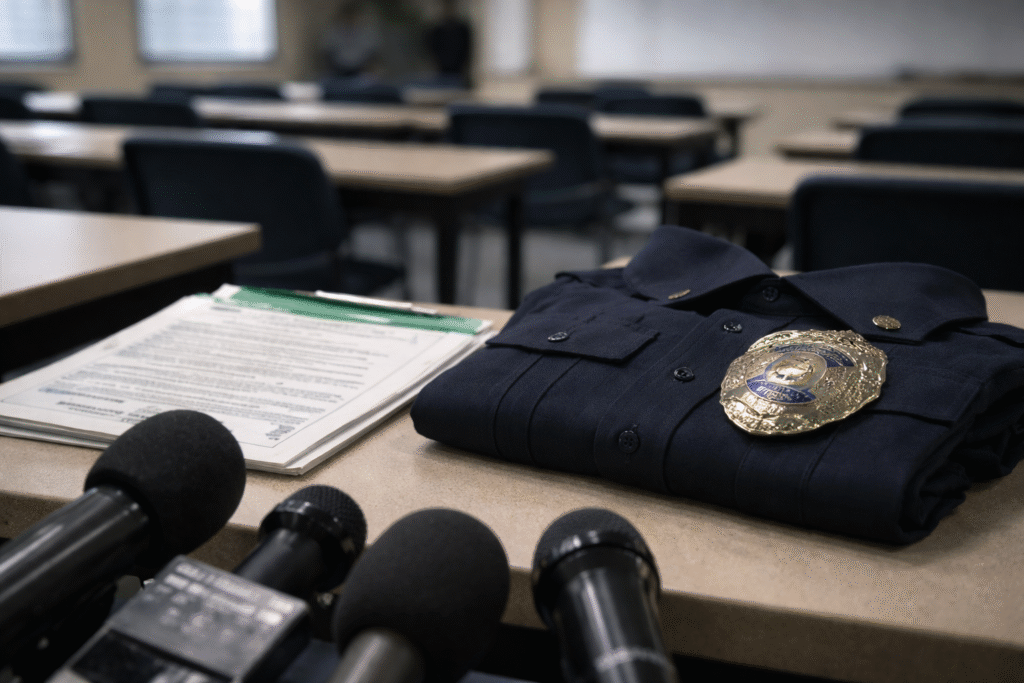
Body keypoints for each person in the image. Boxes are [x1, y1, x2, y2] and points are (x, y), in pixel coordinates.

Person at [323, 2, 381, 78]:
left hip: (361, 70)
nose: (350, 18)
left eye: (353, 16)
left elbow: (373, 53)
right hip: (338, 70)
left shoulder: (367, 32)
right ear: (342, 16)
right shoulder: (333, 32)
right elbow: (327, 51)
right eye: (347, 16)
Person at [425, 0, 473, 86]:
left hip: (458, 71)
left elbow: (467, 50)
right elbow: (432, 49)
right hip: (442, 71)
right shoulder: (437, 31)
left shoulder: (462, 29)